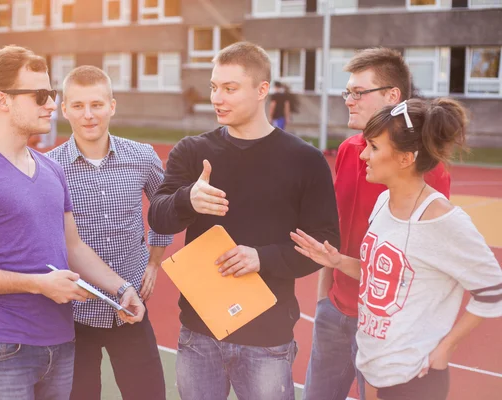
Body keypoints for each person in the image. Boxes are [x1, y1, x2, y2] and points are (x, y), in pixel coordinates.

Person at [0, 45, 144, 400]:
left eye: (52, 94)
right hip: (3, 346)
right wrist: (38, 284)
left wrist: (122, 288)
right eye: (41, 95)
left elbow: (73, 247)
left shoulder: (51, 169)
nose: (52, 104)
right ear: (3, 100)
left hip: (61, 344)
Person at [148, 41, 340, 400]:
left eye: (230, 89)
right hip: (199, 333)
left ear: (262, 90)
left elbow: (325, 242)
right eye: (214, 87)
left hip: (267, 338)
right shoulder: (192, 150)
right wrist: (186, 199)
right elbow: (158, 215)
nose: (217, 98)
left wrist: (262, 258)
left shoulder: (306, 160)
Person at [292, 97, 502, 400]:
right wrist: (337, 261)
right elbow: (381, 276)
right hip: (377, 371)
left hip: (415, 381)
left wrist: (445, 349)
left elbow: (493, 290)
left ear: (406, 158)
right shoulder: (383, 203)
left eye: (374, 147)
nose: (364, 154)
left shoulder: (442, 220)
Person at [302, 47, 451, 400]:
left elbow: (426, 263)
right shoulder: (349, 150)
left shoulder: (429, 171)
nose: (348, 100)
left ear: (392, 96)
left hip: (388, 327)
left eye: (358, 92)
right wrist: (325, 297)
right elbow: (335, 230)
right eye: (347, 92)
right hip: (335, 313)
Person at [46, 65, 172, 400]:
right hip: (73, 314)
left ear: (112, 106)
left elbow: (164, 212)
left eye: (97, 105)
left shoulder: (142, 157)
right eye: (78, 106)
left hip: (130, 309)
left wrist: (154, 263)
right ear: (65, 110)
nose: (88, 115)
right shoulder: (48, 168)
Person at [37, 81, 61, 149]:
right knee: (52, 129)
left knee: (44, 128)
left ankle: (45, 143)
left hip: (48, 114)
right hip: (53, 115)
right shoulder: (56, 95)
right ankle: (51, 143)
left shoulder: (47, 95)